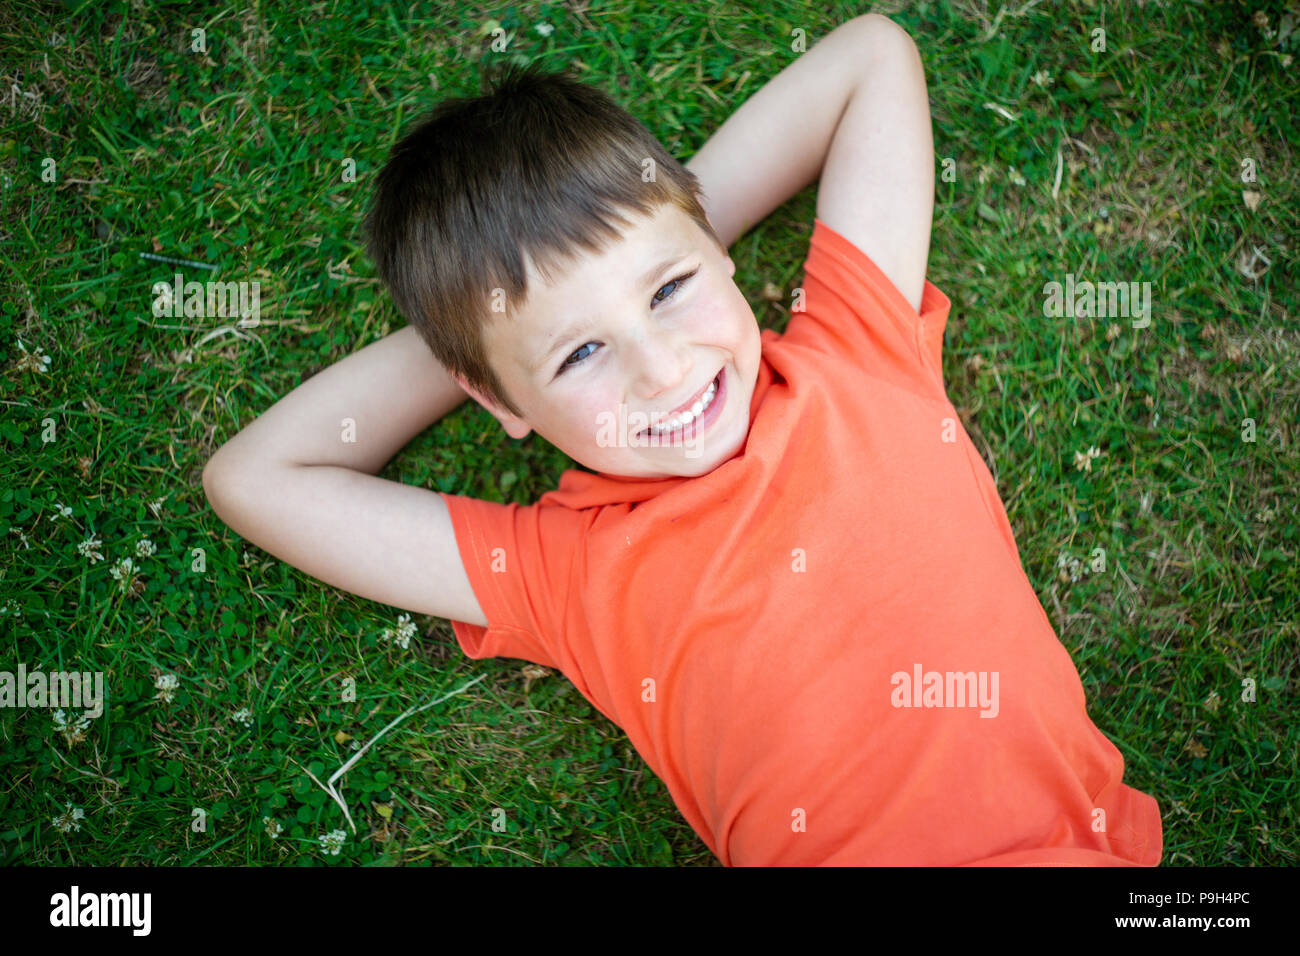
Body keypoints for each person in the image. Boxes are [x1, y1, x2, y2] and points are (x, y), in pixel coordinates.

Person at [202, 14, 1163, 865]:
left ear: (717, 250)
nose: (662, 370)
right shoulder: (563, 569)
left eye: (671, 290)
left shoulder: (854, 353)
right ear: (499, 401)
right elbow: (255, 477)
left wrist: (667, 224)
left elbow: (873, 55)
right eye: (581, 354)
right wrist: (484, 338)